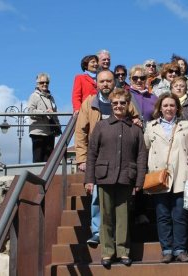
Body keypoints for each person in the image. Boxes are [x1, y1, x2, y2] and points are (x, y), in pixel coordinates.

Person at [75, 70, 140, 245]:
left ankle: (119, 236)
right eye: (102, 81)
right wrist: (81, 158)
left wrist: (136, 122)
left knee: (119, 201)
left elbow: (135, 118)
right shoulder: (89, 103)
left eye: (108, 81)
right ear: (96, 83)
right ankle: (98, 231)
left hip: (120, 158)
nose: (105, 84)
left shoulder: (123, 99)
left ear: (114, 82)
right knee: (97, 197)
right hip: (97, 157)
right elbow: (81, 131)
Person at [85, 88, 147, 268]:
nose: (119, 106)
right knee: (106, 217)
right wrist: (89, 179)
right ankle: (107, 252)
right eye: (115, 103)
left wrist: (139, 181)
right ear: (111, 105)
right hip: (104, 177)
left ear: (128, 105)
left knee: (123, 217)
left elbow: (141, 156)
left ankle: (123, 251)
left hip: (126, 178)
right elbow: (92, 153)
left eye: (122, 103)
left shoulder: (135, 129)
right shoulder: (101, 126)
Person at [144, 93, 188, 264]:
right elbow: (145, 148)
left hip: (181, 174)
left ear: (177, 108)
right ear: (160, 107)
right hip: (160, 177)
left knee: (179, 215)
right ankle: (166, 249)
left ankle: (180, 249)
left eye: (172, 105)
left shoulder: (186, 125)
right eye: (165, 105)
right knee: (162, 215)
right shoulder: (151, 126)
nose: (169, 108)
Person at [27, 73, 61, 162]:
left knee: (48, 160)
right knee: (38, 160)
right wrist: (44, 112)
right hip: (38, 132)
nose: (45, 84)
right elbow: (30, 112)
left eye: (47, 82)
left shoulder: (51, 98)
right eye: (42, 82)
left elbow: (55, 114)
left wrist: (58, 127)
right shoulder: (34, 96)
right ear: (37, 84)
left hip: (50, 132)